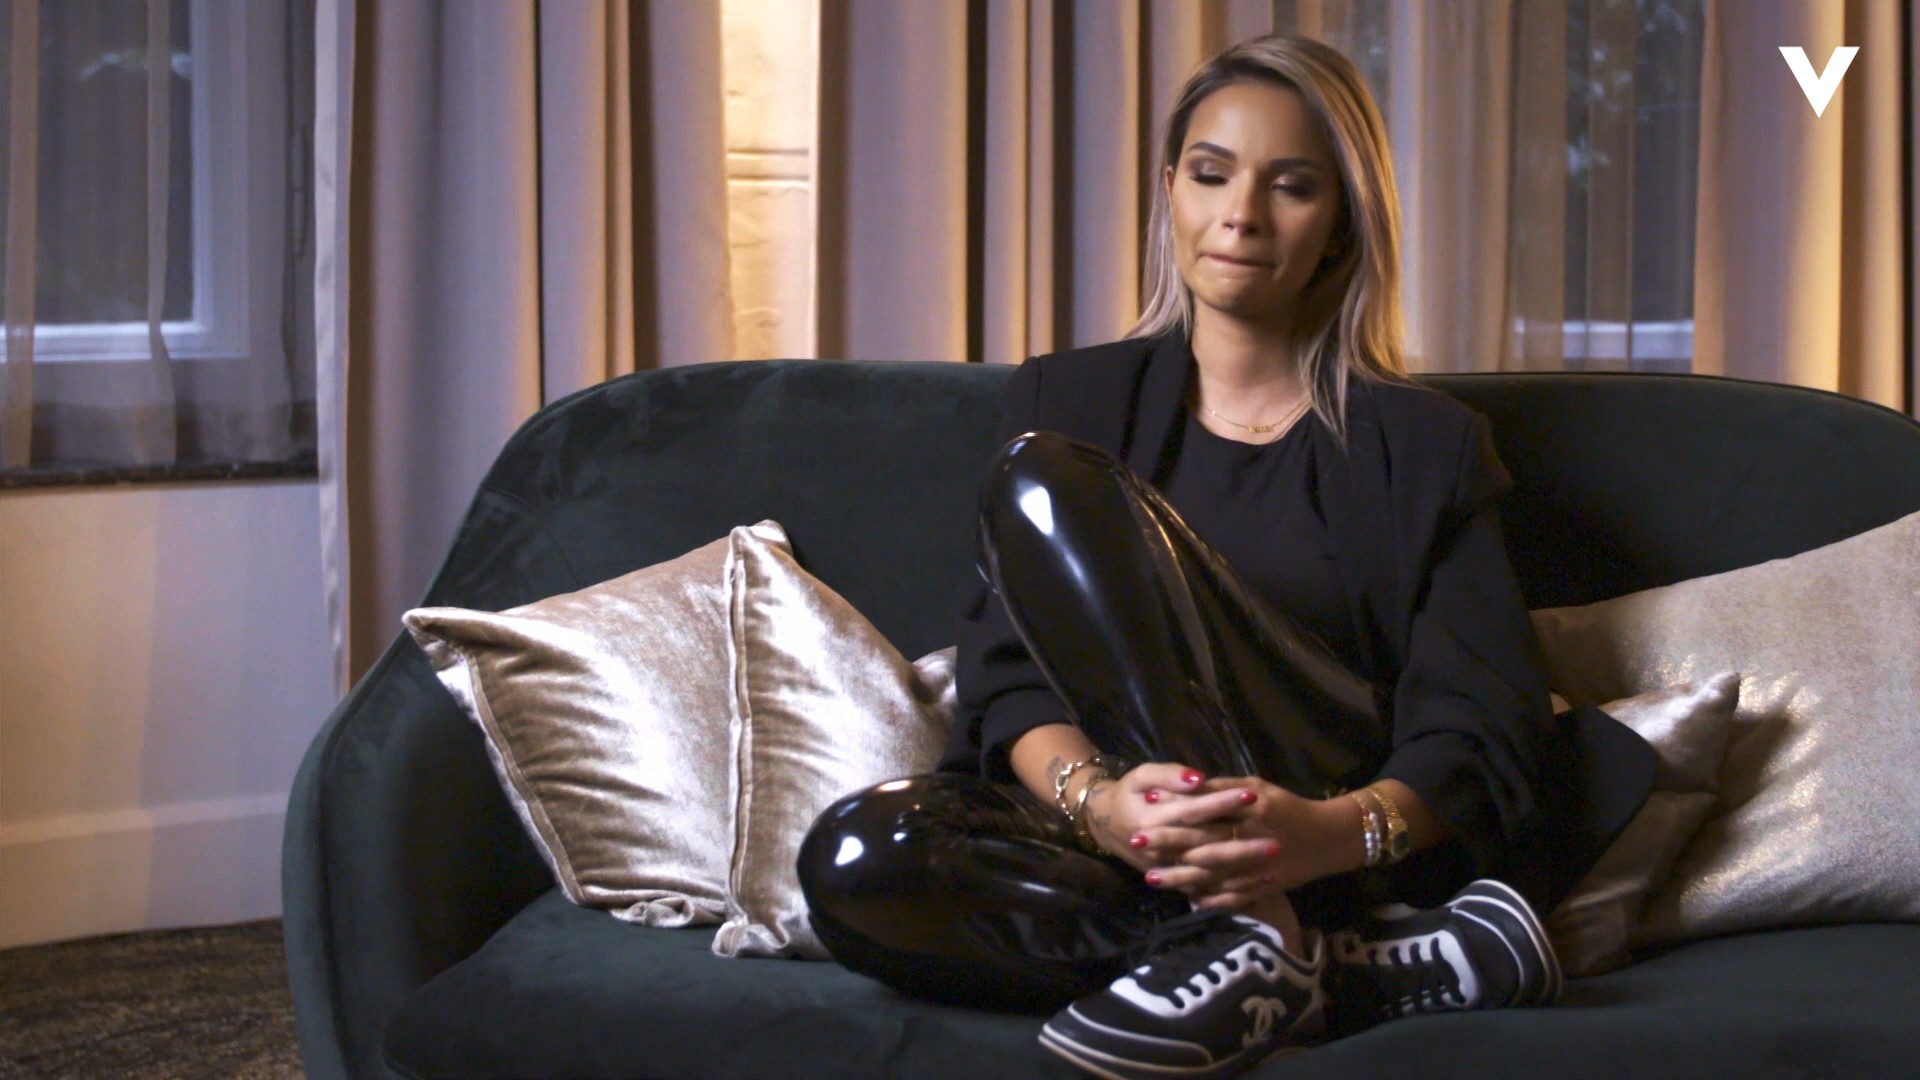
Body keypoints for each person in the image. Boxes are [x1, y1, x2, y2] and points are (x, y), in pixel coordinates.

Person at [797, 33, 1653, 1080]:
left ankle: (1272, 926)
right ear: (1171, 190)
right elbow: (1009, 679)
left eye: (1292, 186)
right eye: (1212, 174)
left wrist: (1327, 835)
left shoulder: (1425, 445)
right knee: (857, 858)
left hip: (1327, 827)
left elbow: (1479, 716)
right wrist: (1104, 808)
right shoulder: (1070, 398)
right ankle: (1320, 963)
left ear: (1341, 222)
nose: (1242, 214)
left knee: (1042, 482)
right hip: (1130, 844)